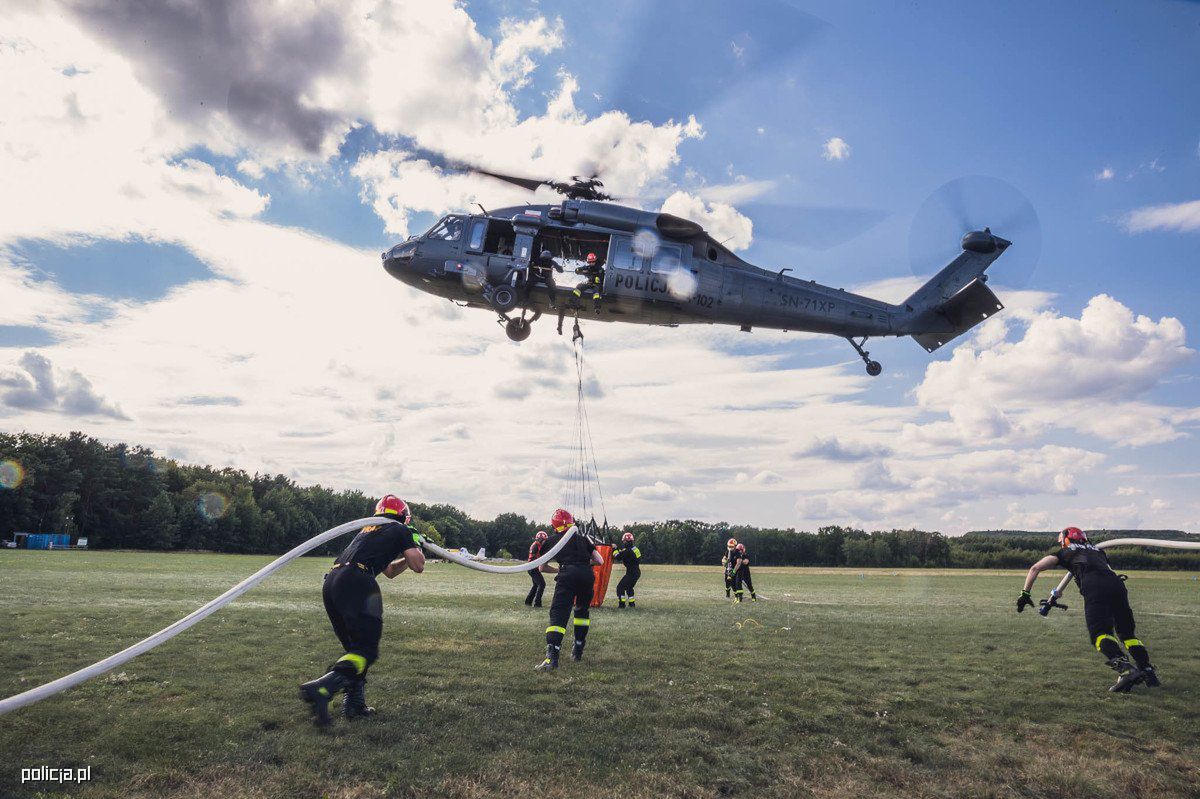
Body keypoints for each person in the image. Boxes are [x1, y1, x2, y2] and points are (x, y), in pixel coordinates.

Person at [299, 495, 425, 725]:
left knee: (354, 650)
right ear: (405, 516)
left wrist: (407, 552)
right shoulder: (400, 529)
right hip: (358, 581)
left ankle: (354, 705)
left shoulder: (368, 530)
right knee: (366, 651)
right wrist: (415, 544)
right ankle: (322, 688)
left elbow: (390, 571)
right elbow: (419, 565)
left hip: (333, 581)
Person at [1018, 526, 1160, 692]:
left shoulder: (1064, 552)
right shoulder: (1098, 551)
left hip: (1095, 588)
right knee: (1128, 634)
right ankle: (1148, 671)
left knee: (1100, 634)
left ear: (1065, 539)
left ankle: (1125, 669)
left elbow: (1035, 568)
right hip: (1117, 586)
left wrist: (1025, 593)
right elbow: (1104, 569)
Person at [535, 508, 603, 671]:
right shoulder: (583, 539)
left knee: (558, 614)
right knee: (581, 611)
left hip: (567, 575)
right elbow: (599, 560)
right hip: (587, 575)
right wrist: (582, 565)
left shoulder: (551, 540)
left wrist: (562, 569)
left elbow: (541, 567)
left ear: (554, 525)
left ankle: (552, 658)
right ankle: (578, 649)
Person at [613, 531, 642, 608]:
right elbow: (625, 553)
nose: (623, 542)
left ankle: (622, 604)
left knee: (620, 587)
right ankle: (632, 603)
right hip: (637, 572)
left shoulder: (627, 551)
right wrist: (620, 551)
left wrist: (615, 549)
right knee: (629, 587)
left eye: (624, 541)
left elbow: (618, 557)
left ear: (626, 542)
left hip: (631, 573)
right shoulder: (635, 549)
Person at [525, 530, 548, 607]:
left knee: (536, 585)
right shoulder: (536, 546)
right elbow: (536, 558)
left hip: (532, 567)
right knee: (541, 584)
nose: (544, 542)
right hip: (533, 567)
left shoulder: (536, 545)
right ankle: (537, 603)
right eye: (543, 540)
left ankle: (528, 601)